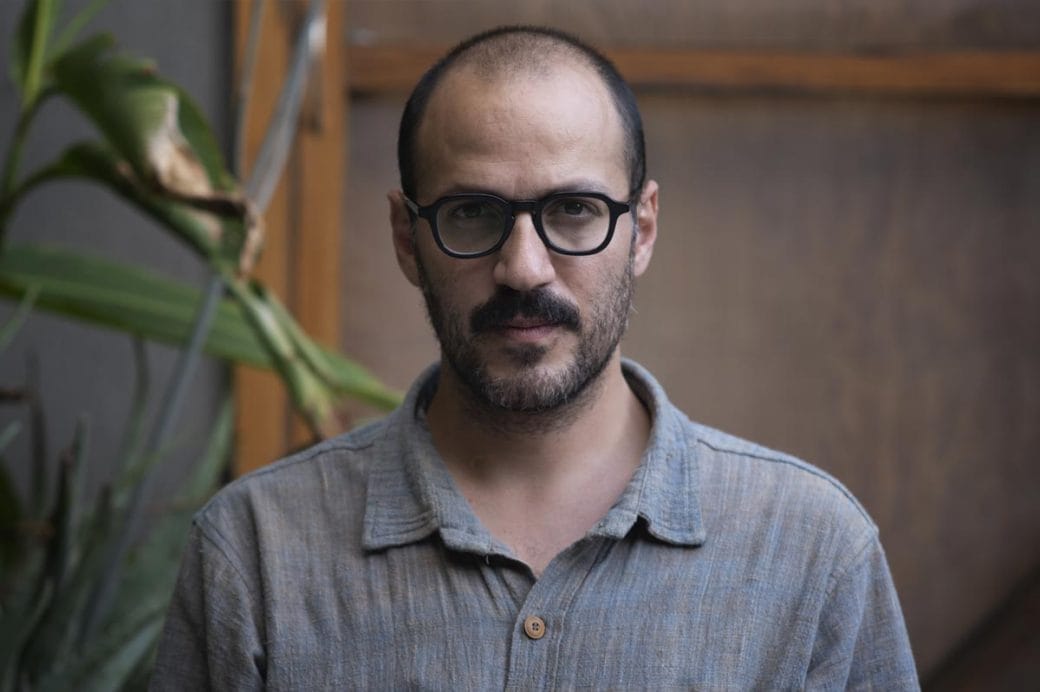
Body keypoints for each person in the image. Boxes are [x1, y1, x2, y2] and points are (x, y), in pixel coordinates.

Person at [152, 26, 918, 690]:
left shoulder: (813, 551)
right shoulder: (256, 554)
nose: (524, 268)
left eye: (574, 210)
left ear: (642, 228)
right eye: (473, 212)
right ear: (405, 237)